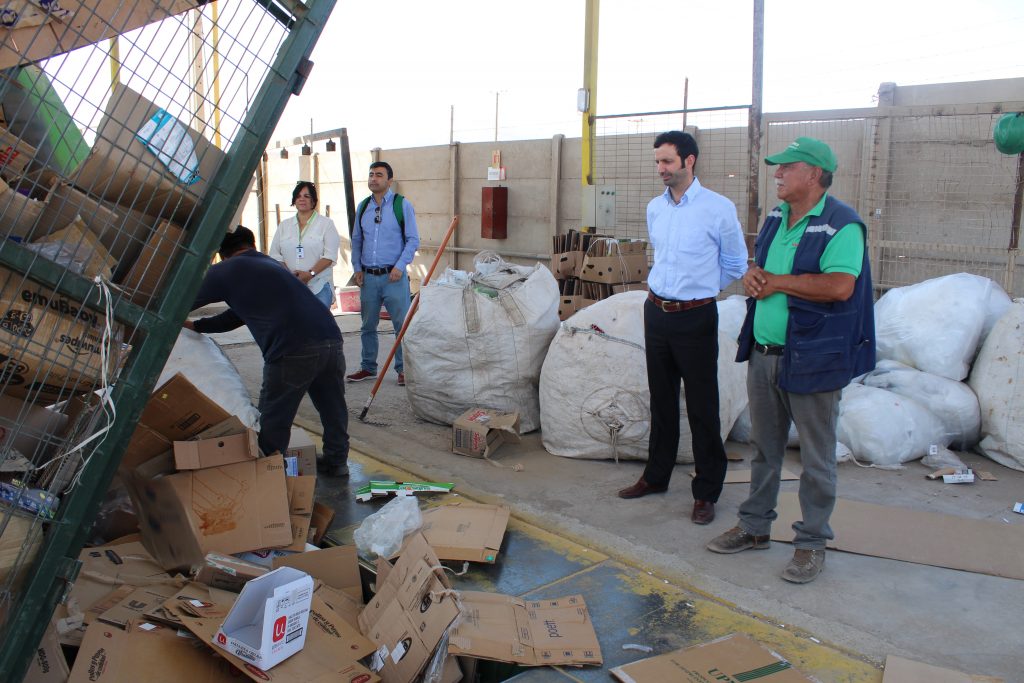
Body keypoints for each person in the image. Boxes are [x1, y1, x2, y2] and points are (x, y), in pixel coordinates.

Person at [706, 137, 875, 584]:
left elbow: (840, 286)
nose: (777, 174)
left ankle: (811, 543)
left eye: (787, 167)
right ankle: (754, 527)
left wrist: (777, 282)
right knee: (764, 449)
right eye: (777, 167)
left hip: (814, 359)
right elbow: (762, 271)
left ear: (814, 174)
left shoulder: (842, 225)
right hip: (764, 354)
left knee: (817, 459)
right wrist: (753, 276)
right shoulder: (776, 218)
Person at [617, 131, 748, 527]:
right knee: (661, 399)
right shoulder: (656, 208)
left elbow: (735, 263)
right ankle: (656, 476)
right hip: (656, 312)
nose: (660, 168)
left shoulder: (717, 208)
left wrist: (702, 292)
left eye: (667, 161)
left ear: (689, 161)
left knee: (703, 406)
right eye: (658, 161)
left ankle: (706, 491)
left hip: (696, 317)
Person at [185, 226, 351, 478]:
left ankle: (269, 475)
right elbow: (235, 316)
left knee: (275, 417)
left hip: (292, 348)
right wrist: (198, 326)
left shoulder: (226, 269)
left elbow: (182, 299)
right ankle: (337, 462)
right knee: (332, 408)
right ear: (251, 244)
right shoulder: (271, 265)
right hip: (330, 340)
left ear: (221, 252)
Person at [346, 161, 420, 387]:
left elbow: (413, 240)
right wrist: (357, 268)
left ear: (389, 180)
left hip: (393, 277)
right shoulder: (363, 207)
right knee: (368, 325)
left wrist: (400, 266)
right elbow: (357, 240)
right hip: (368, 277)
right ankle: (368, 367)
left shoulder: (401, 205)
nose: (373, 178)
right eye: (371, 174)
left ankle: (403, 369)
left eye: (379, 175)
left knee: (401, 325)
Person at [269, 180, 341, 308]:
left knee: (318, 320)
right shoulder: (284, 225)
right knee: (293, 320)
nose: (302, 199)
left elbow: (329, 256)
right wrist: (290, 277)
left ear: (313, 200)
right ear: (294, 200)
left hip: (318, 286)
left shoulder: (326, 224)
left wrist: (310, 274)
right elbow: (275, 255)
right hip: (290, 287)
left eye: (307, 196)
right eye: (298, 196)